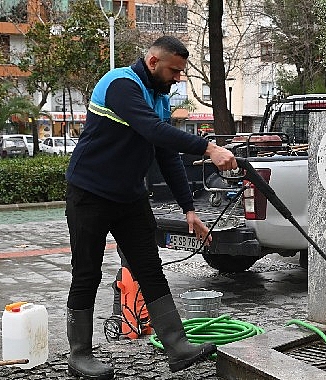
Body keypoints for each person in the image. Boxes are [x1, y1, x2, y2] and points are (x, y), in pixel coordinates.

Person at [64, 36, 237, 379]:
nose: (178, 78)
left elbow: (165, 153)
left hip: (129, 198)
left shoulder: (158, 97)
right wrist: (209, 148)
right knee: (87, 272)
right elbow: (150, 129)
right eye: (174, 70)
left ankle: (177, 347)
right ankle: (79, 353)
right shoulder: (119, 84)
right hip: (90, 193)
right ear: (154, 62)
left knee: (150, 269)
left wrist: (189, 208)